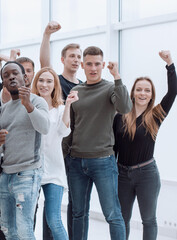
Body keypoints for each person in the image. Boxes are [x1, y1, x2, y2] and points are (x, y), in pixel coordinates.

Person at [67, 46, 132, 240]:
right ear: (82, 65)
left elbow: (125, 107)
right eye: (89, 64)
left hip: (103, 161)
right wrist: (66, 156)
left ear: (103, 65)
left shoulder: (111, 88)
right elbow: (69, 126)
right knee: (78, 214)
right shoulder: (75, 90)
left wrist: (117, 76)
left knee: (112, 214)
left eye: (97, 64)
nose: (93, 68)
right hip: (76, 161)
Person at [114, 51, 177, 240]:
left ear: (151, 95)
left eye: (147, 90)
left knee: (148, 220)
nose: (143, 93)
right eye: (139, 89)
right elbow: (114, 148)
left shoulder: (156, 115)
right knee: (122, 219)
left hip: (147, 174)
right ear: (132, 92)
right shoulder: (119, 116)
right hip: (122, 175)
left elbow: (173, 91)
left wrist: (170, 64)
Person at [0, 61, 50, 239]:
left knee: (25, 228)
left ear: (25, 78)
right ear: (3, 83)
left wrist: (28, 106)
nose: (11, 77)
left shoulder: (37, 101)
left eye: (15, 73)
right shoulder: (2, 110)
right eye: (6, 75)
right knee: (7, 228)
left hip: (28, 172)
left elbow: (45, 128)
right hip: (6, 175)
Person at [39, 21, 83, 240]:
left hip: (71, 155)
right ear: (63, 59)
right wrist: (47, 35)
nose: (76, 59)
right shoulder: (56, 82)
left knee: (67, 211)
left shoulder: (83, 86)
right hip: (51, 155)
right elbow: (45, 64)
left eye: (79, 56)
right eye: (72, 56)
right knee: (48, 216)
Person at [31, 67, 79, 240]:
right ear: (35, 83)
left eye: (49, 81)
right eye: (41, 80)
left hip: (54, 172)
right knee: (28, 221)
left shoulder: (59, 109)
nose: (44, 84)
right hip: (31, 171)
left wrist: (67, 106)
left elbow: (64, 132)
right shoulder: (29, 107)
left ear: (55, 85)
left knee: (54, 220)